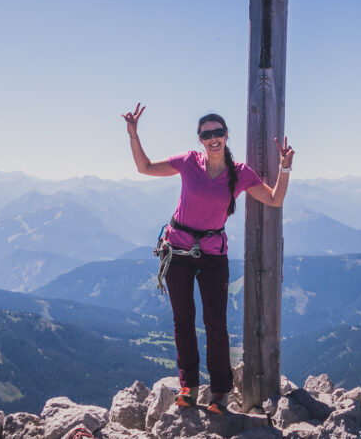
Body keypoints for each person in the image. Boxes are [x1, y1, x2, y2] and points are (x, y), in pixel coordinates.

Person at [122, 102, 294, 414]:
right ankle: (188, 385)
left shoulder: (239, 173)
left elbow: (274, 198)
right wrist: (133, 133)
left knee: (216, 323)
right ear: (200, 139)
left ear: (227, 136)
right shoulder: (188, 161)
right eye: (206, 134)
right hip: (177, 249)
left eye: (218, 132)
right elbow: (144, 167)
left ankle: (220, 392)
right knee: (183, 320)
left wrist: (284, 167)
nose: (213, 138)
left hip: (213, 254)